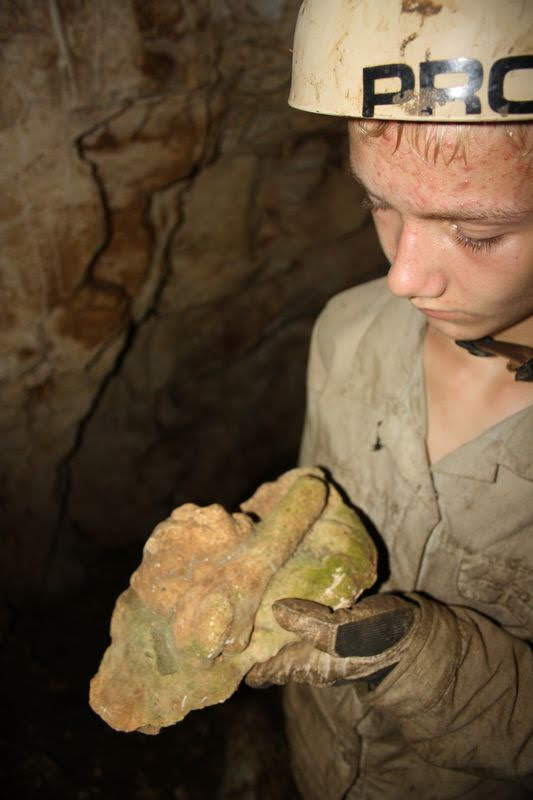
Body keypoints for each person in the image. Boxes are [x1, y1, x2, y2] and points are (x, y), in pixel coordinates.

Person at [245, 2, 533, 798]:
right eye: (380, 203)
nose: (404, 277)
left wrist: (420, 657)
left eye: (476, 236)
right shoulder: (349, 333)